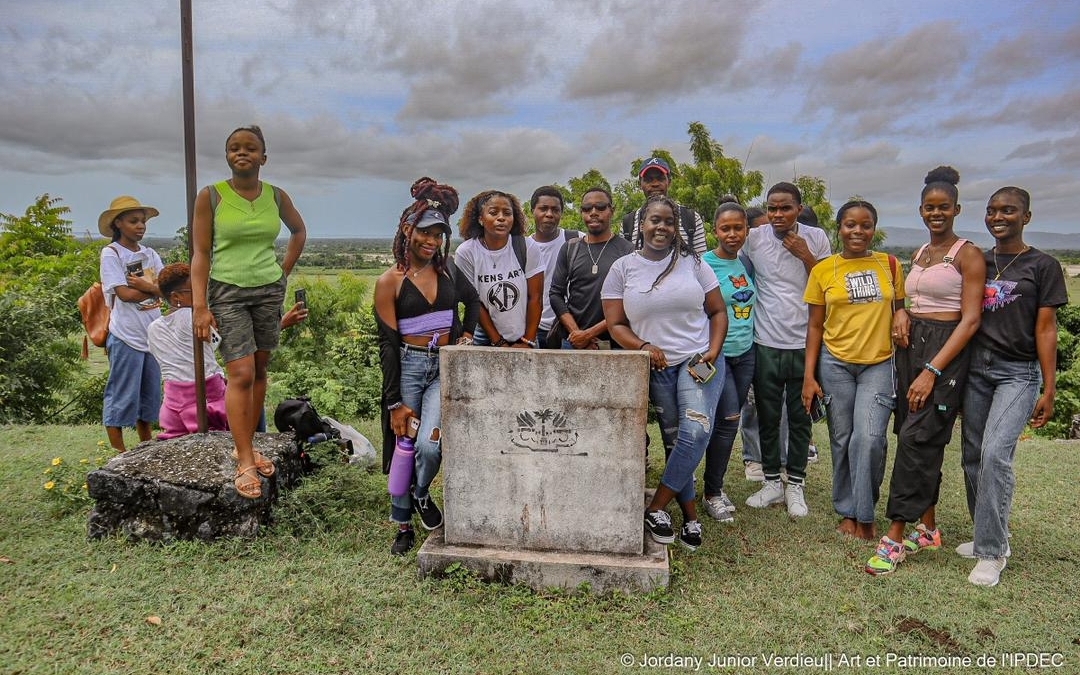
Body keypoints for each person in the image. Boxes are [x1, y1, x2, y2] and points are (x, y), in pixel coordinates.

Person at [866, 166, 985, 576]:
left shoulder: (967, 254)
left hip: (944, 355)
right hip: (910, 349)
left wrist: (933, 369)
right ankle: (929, 528)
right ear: (920, 210)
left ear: (956, 209)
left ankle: (895, 536)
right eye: (929, 208)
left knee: (917, 439)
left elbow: (969, 321)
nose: (937, 214)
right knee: (916, 435)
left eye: (944, 208)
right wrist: (901, 314)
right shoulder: (919, 253)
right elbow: (908, 298)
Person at [602, 194, 727, 551]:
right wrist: (643, 346)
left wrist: (712, 352)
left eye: (669, 222)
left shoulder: (693, 263)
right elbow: (615, 324)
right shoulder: (623, 268)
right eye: (655, 220)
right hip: (657, 369)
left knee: (696, 431)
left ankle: (655, 506)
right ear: (642, 225)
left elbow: (718, 312)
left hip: (696, 365)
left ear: (677, 229)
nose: (662, 227)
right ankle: (689, 517)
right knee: (675, 441)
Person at [957, 187, 1068, 586]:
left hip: (1017, 373)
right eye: (991, 210)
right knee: (971, 455)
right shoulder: (978, 261)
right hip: (976, 369)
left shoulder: (1043, 265)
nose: (997, 216)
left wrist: (1049, 387)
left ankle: (992, 552)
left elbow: (1046, 328)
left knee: (994, 454)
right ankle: (987, 533)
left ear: (1027, 216)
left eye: (1008, 210)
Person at [191, 125, 308, 500]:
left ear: (263, 157)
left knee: (259, 371)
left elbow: (298, 231)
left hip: (267, 291)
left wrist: (283, 272)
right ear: (227, 156)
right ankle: (243, 458)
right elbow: (201, 254)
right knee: (239, 372)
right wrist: (199, 306)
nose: (242, 153)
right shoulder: (211, 196)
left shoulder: (276, 195)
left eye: (250, 148)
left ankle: (250, 444)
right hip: (227, 292)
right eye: (234, 148)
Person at [375, 178, 479, 555]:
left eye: (438, 234)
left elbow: (474, 301)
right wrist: (393, 402)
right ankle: (402, 526)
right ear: (408, 230)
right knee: (404, 443)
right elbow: (387, 344)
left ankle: (421, 494)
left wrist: (467, 333)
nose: (431, 241)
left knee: (430, 445)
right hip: (408, 367)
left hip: (443, 367)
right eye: (425, 233)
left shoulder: (447, 270)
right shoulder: (390, 282)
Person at [802, 201, 904, 541]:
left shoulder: (889, 265)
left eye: (865, 225)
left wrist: (903, 316)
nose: (857, 231)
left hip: (879, 362)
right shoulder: (823, 270)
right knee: (842, 439)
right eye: (849, 225)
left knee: (871, 439)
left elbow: (900, 309)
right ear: (839, 228)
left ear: (874, 228)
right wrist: (809, 375)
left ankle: (865, 511)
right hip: (835, 364)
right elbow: (815, 326)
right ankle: (848, 511)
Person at [742, 182, 831, 517]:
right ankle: (771, 482)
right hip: (765, 340)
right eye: (772, 208)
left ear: (798, 208)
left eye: (785, 208)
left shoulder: (816, 238)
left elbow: (825, 282)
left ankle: (795, 483)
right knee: (766, 415)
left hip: (803, 341)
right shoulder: (754, 239)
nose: (778, 215)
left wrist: (805, 255)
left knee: (799, 416)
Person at [700, 197, 756, 523]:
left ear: (746, 229)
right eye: (725, 228)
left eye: (738, 228)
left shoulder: (746, 264)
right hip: (716, 354)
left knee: (727, 425)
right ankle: (711, 493)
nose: (732, 234)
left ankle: (715, 487)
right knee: (729, 419)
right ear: (715, 230)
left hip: (745, 353)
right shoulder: (703, 265)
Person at [98, 196, 164, 452]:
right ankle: (119, 453)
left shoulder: (150, 253)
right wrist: (154, 289)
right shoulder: (111, 254)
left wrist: (148, 287)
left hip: (152, 335)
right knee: (122, 396)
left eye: (142, 221)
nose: (140, 226)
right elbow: (124, 295)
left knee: (149, 398)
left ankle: (145, 446)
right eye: (133, 221)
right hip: (126, 335)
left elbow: (166, 286)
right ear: (118, 224)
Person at [148, 263, 229, 439]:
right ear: (176, 296)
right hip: (206, 399)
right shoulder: (194, 317)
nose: (203, 295)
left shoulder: (153, 328)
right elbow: (226, 342)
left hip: (172, 404)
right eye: (195, 290)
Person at [548, 186, 633, 350]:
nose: (593, 212)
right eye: (587, 208)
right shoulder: (570, 249)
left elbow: (630, 301)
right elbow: (555, 294)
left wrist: (589, 335)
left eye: (600, 207)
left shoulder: (627, 251)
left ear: (612, 210)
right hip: (572, 342)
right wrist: (577, 334)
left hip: (615, 343)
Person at [454, 190, 542, 348]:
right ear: (480, 219)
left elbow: (535, 297)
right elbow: (474, 301)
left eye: (507, 213)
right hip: (486, 335)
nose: (501, 218)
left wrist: (528, 341)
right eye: (493, 212)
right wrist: (498, 341)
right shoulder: (466, 252)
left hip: (526, 334)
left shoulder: (527, 247)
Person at [620, 157, 707, 255]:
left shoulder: (691, 218)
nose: (655, 184)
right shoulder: (627, 223)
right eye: (649, 180)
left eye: (660, 178)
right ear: (640, 184)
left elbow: (700, 262)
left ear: (669, 181)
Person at [528, 186, 579, 348]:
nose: (549, 214)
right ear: (532, 211)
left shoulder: (576, 240)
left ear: (561, 213)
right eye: (543, 209)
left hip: (567, 328)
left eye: (555, 210)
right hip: (531, 328)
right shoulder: (523, 247)